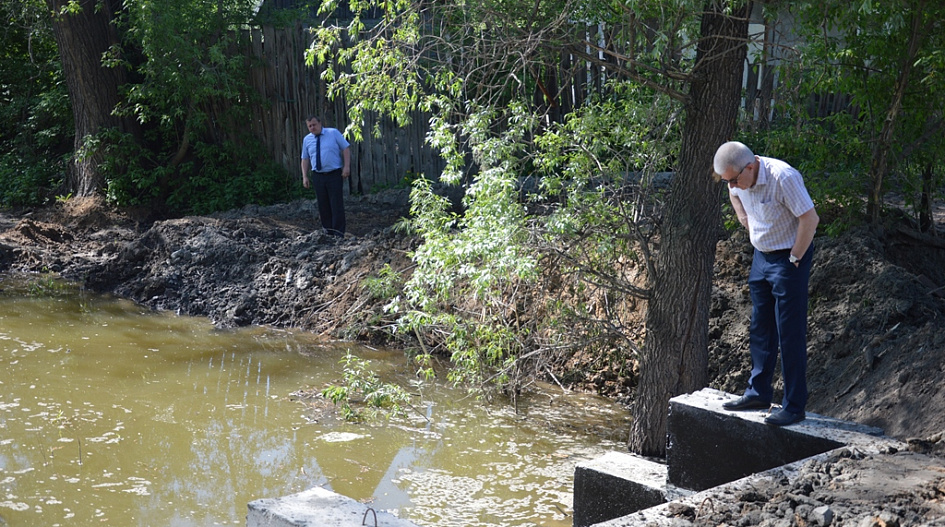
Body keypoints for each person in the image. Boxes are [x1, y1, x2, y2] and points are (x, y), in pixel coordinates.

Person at [713, 141, 819, 427]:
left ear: (750, 166)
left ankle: (794, 406)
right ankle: (758, 392)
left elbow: (810, 218)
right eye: (727, 181)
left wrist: (796, 257)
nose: (732, 186)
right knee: (760, 327)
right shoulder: (736, 179)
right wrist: (745, 220)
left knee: (789, 332)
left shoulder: (783, 177)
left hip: (789, 257)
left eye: (735, 180)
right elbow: (734, 194)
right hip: (761, 256)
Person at [301, 115, 351, 236]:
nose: (312, 127)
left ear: (320, 123)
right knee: (323, 204)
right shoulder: (307, 139)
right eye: (310, 126)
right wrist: (305, 176)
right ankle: (327, 232)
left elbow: (345, 148)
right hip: (318, 176)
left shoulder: (333, 133)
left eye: (314, 125)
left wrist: (346, 166)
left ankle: (338, 233)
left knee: (336, 204)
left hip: (334, 174)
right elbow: (305, 158)